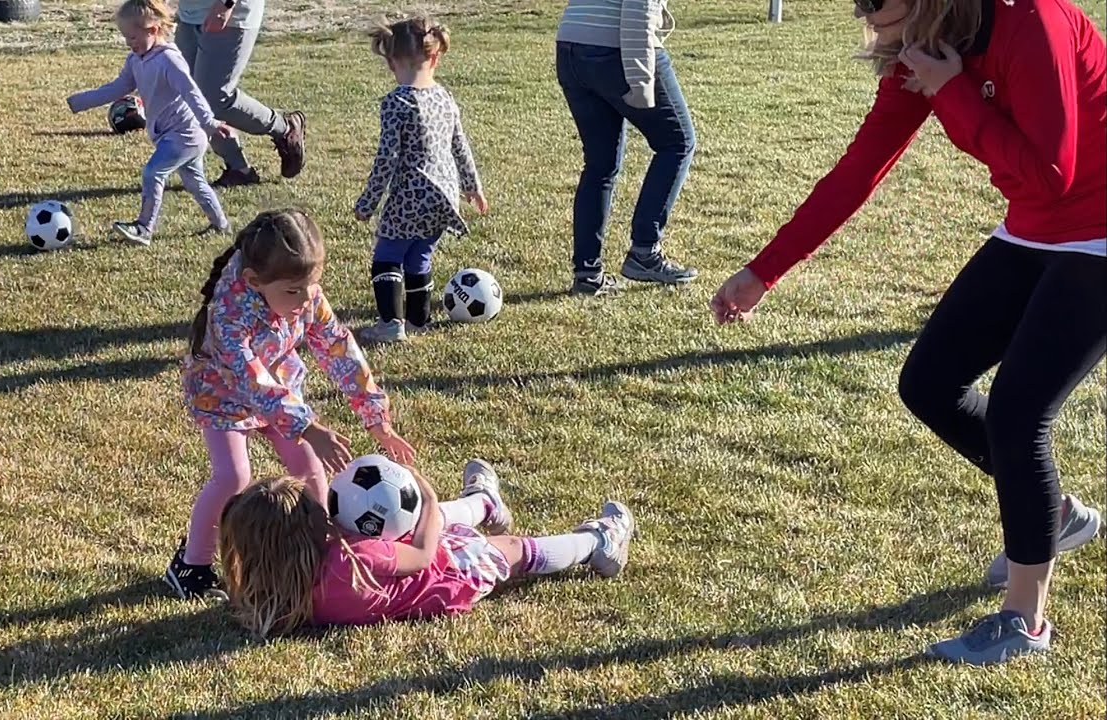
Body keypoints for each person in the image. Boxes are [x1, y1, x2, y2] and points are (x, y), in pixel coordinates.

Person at [709, 0, 1105, 665]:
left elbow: (1052, 170)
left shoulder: (1028, 20)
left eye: (877, 1)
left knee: (1018, 412)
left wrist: (952, 92)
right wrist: (763, 271)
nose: (866, 12)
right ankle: (1054, 516)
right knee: (928, 381)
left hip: (1098, 227)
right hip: (1037, 224)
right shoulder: (926, 40)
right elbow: (860, 168)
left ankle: (1025, 620)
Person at [169, 208, 416, 599]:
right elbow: (252, 381)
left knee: (308, 466)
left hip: (280, 389)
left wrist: (375, 418)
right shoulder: (230, 314)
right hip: (224, 397)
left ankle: (321, 551)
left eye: (311, 286)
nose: (304, 300)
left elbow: (340, 350)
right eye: (293, 291)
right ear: (254, 281)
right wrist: (307, 427)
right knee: (233, 477)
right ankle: (190, 566)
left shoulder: (305, 294)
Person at [219, 459, 635, 637]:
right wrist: (430, 500)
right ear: (303, 530)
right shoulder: (354, 559)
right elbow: (420, 554)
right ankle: (598, 543)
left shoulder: (268, 591)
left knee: (403, 525)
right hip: (447, 578)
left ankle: (486, 502)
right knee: (511, 548)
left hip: (409, 569)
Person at [354, 16, 487, 344]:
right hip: (444, 195)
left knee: (387, 255)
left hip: (409, 195)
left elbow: (386, 160)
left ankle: (390, 324)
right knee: (420, 256)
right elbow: (460, 145)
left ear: (391, 61)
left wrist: (367, 203)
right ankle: (418, 320)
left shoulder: (396, 102)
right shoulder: (444, 96)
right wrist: (472, 186)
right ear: (435, 56)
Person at [555, 0, 698, 296]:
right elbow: (639, 11)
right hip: (614, 47)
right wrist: (641, 81)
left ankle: (587, 274)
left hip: (571, 44)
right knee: (677, 143)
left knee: (599, 164)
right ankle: (645, 252)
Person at [67, 0, 233, 246]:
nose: (129, 43)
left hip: (185, 135)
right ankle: (221, 225)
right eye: (126, 37)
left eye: (133, 37)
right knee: (194, 181)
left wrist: (209, 123)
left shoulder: (169, 60)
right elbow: (118, 87)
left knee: (153, 172)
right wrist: (80, 101)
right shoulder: (136, 60)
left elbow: (191, 92)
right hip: (170, 135)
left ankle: (144, 228)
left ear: (153, 30)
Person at [174, 0, 306, 186]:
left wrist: (225, 5)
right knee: (192, 96)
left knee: (215, 98)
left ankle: (285, 128)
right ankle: (239, 169)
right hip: (190, 14)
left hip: (231, 15)